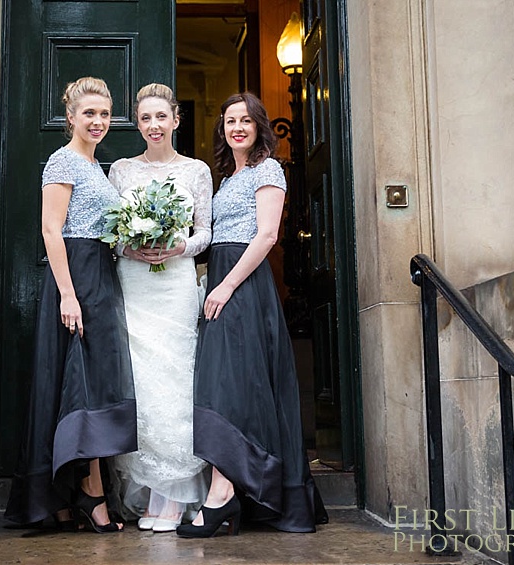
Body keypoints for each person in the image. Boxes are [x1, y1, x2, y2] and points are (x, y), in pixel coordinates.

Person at [176, 92, 328, 538]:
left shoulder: (269, 170)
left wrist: (225, 285)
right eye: (229, 121)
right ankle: (228, 495)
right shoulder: (226, 179)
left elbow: (265, 237)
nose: (237, 127)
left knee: (232, 387)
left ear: (260, 126)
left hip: (244, 286)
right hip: (220, 282)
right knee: (226, 385)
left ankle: (222, 495)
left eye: (245, 120)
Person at [5, 77, 136, 533]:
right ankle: (87, 494)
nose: (98, 121)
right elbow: (50, 230)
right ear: (71, 118)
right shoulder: (62, 161)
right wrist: (67, 293)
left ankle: (73, 496)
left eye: (104, 114)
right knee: (79, 385)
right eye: (90, 114)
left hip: (101, 275)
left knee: (94, 386)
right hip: (75, 277)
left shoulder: (98, 167)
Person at [107, 83, 212, 533]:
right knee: (141, 382)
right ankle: (149, 488)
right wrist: (132, 250)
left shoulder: (197, 171)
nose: (153, 126)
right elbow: (109, 234)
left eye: (161, 117)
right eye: (145, 118)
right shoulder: (121, 170)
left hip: (175, 285)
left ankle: (173, 496)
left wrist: (177, 246)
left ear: (175, 120)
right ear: (138, 122)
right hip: (134, 284)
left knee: (175, 380)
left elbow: (206, 232)